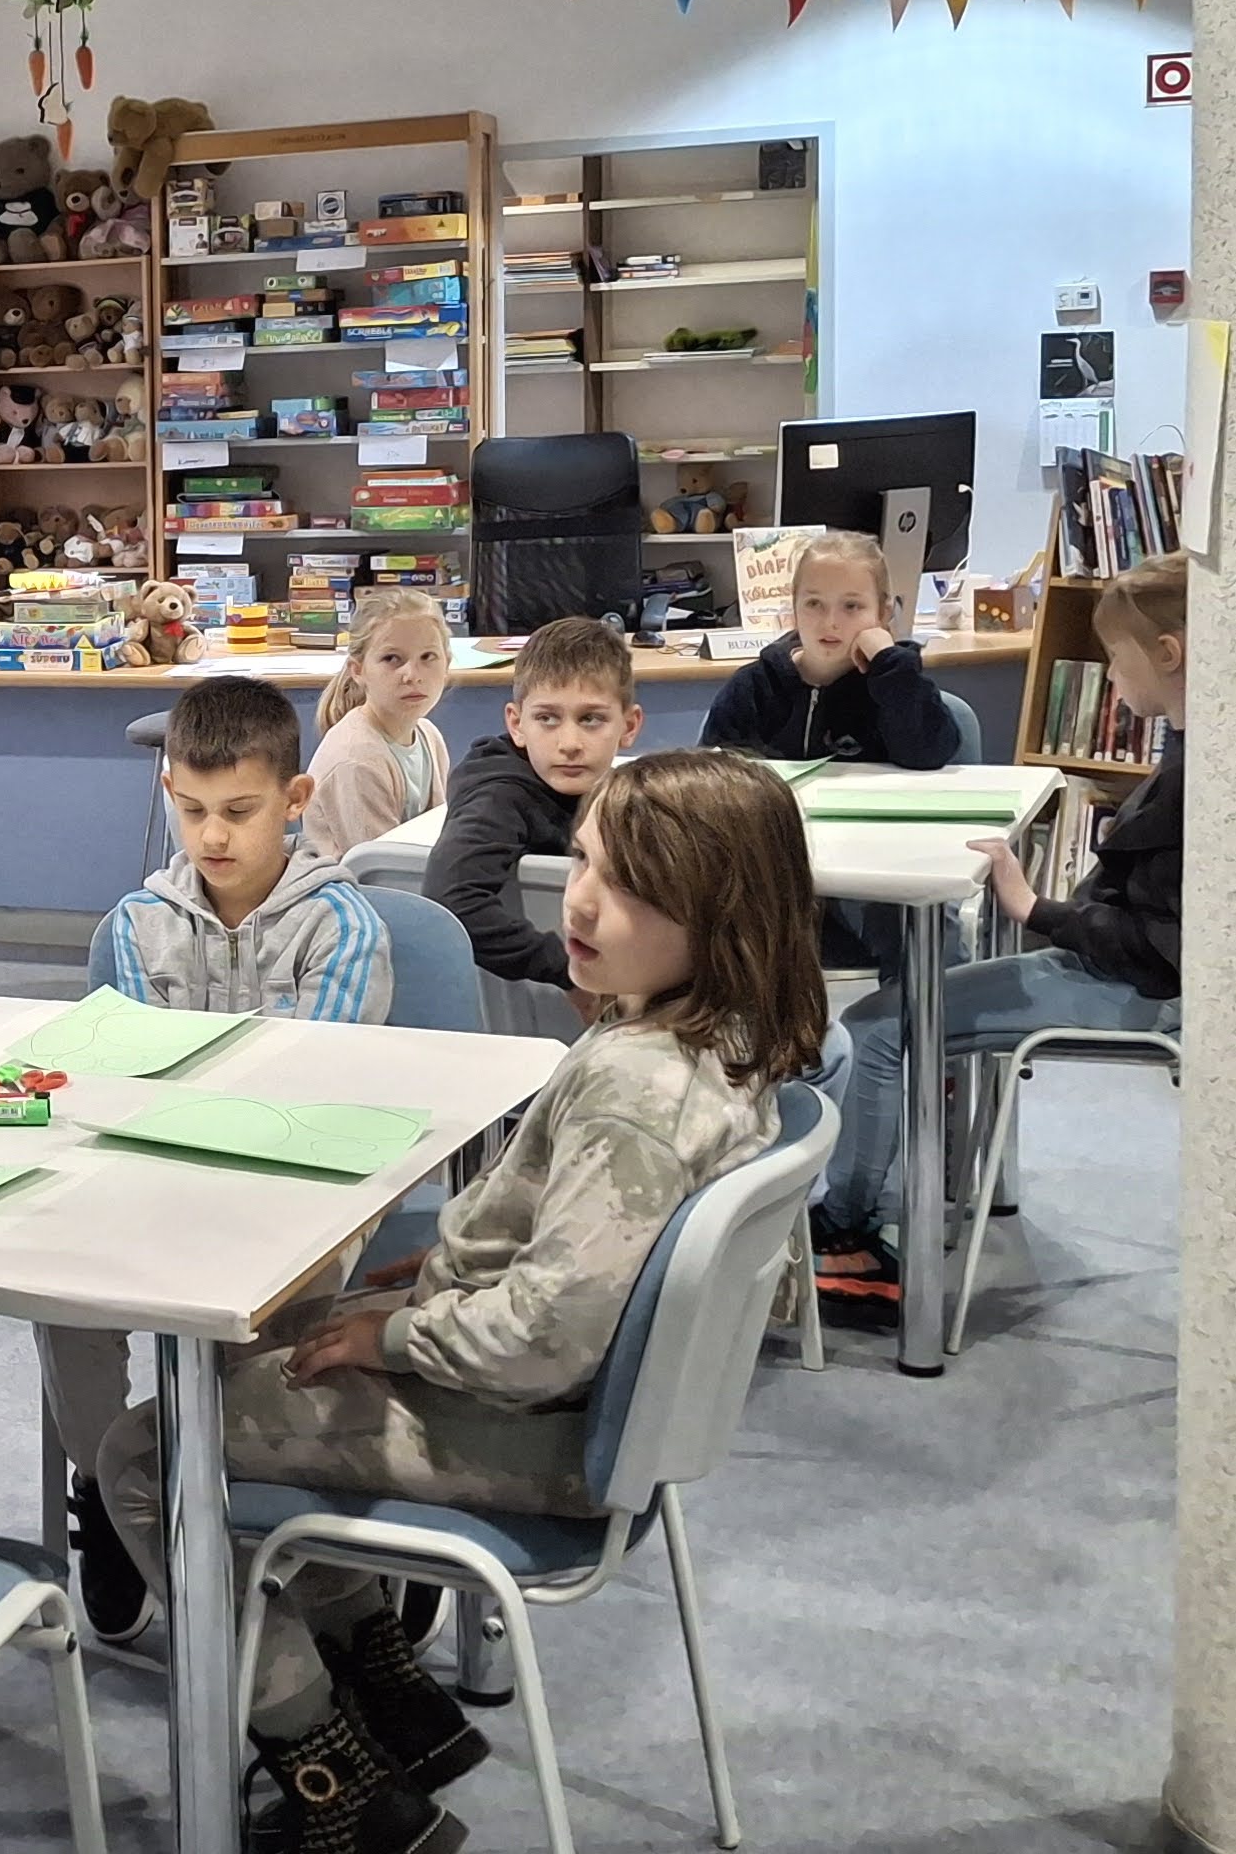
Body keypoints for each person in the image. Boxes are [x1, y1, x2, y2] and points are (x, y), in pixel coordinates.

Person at [94, 751, 818, 1854]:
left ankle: (336, 1782)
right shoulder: (717, 1043)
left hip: (536, 1429)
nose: (581, 901)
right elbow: (579, 1257)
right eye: (584, 861)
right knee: (264, 1350)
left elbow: (546, 1336)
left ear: (723, 916)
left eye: (630, 889)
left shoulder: (634, 1091)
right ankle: (394, 1699)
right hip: (570, 1410)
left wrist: (397, 1336)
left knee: (152, 1454)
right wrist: (436, 1277)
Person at [56, 674, 393, 1640]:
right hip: (161, 1182)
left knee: (258, 1359)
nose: (213, 836)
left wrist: (189, 1094)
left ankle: (272, 1525)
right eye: (193, 809)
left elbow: (310, 1086)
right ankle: (109, 1489)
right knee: (62, 1303)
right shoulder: (138, 923)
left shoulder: (342, 926)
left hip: (298, 1197)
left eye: (240, 812)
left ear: (295, 800)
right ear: (168, 791)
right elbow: (131, 1075)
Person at [816, 552, 1187, 1325]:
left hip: (1138, 990)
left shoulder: (1191, 780)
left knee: (878, 1029)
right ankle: (917, 1186)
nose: (1110, 676)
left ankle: (844, 1231)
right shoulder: (1192, 753)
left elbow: (1159, 942)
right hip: (1115, 969)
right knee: (910, 1001)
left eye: (1115, 658)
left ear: (1167, 654)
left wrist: (1035, 909)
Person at [422, 615, 641, 999]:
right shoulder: (498, 798)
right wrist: (572, 970)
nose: (569, 743)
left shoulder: (625, 794)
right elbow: (451, 903)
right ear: (516, 724)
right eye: (547, 719)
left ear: (629, 726)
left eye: (591, 719)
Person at [699, 530, 964, 769]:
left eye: (851, 606)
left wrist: (890, 664)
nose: (830, 622)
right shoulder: (752, 687)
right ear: (794, 607)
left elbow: (929, 755)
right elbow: (712, 777)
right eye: (814, 604)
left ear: (883, 613)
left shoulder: (897, 683)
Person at [300, 588, 457, 862]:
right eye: (391, 659)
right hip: (357, 886)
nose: (412, 675)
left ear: (447, 664)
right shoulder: (356, 759)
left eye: (428, 657)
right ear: (358, 670)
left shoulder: (428, 736)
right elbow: (381, 869)